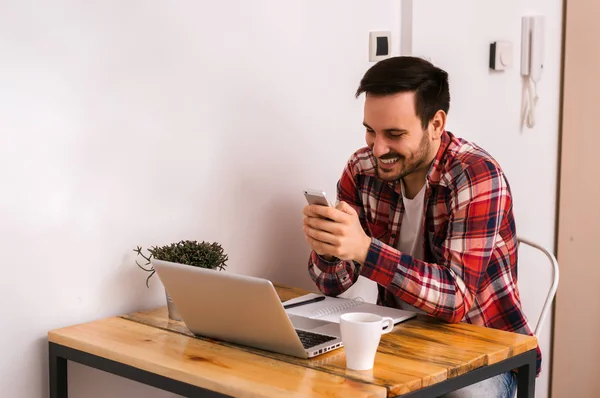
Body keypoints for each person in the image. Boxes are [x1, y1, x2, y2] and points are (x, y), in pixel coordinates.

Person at [302, 56, 540, 397]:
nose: (377, 148)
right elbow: (332, 283)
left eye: (394, 134)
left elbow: (457, 300)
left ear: (436, 124)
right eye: (370, 131)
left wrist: (365, 250)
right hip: (399, 336)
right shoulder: (362, 169)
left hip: (482, 347)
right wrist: (328, 246)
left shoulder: (475, 175)